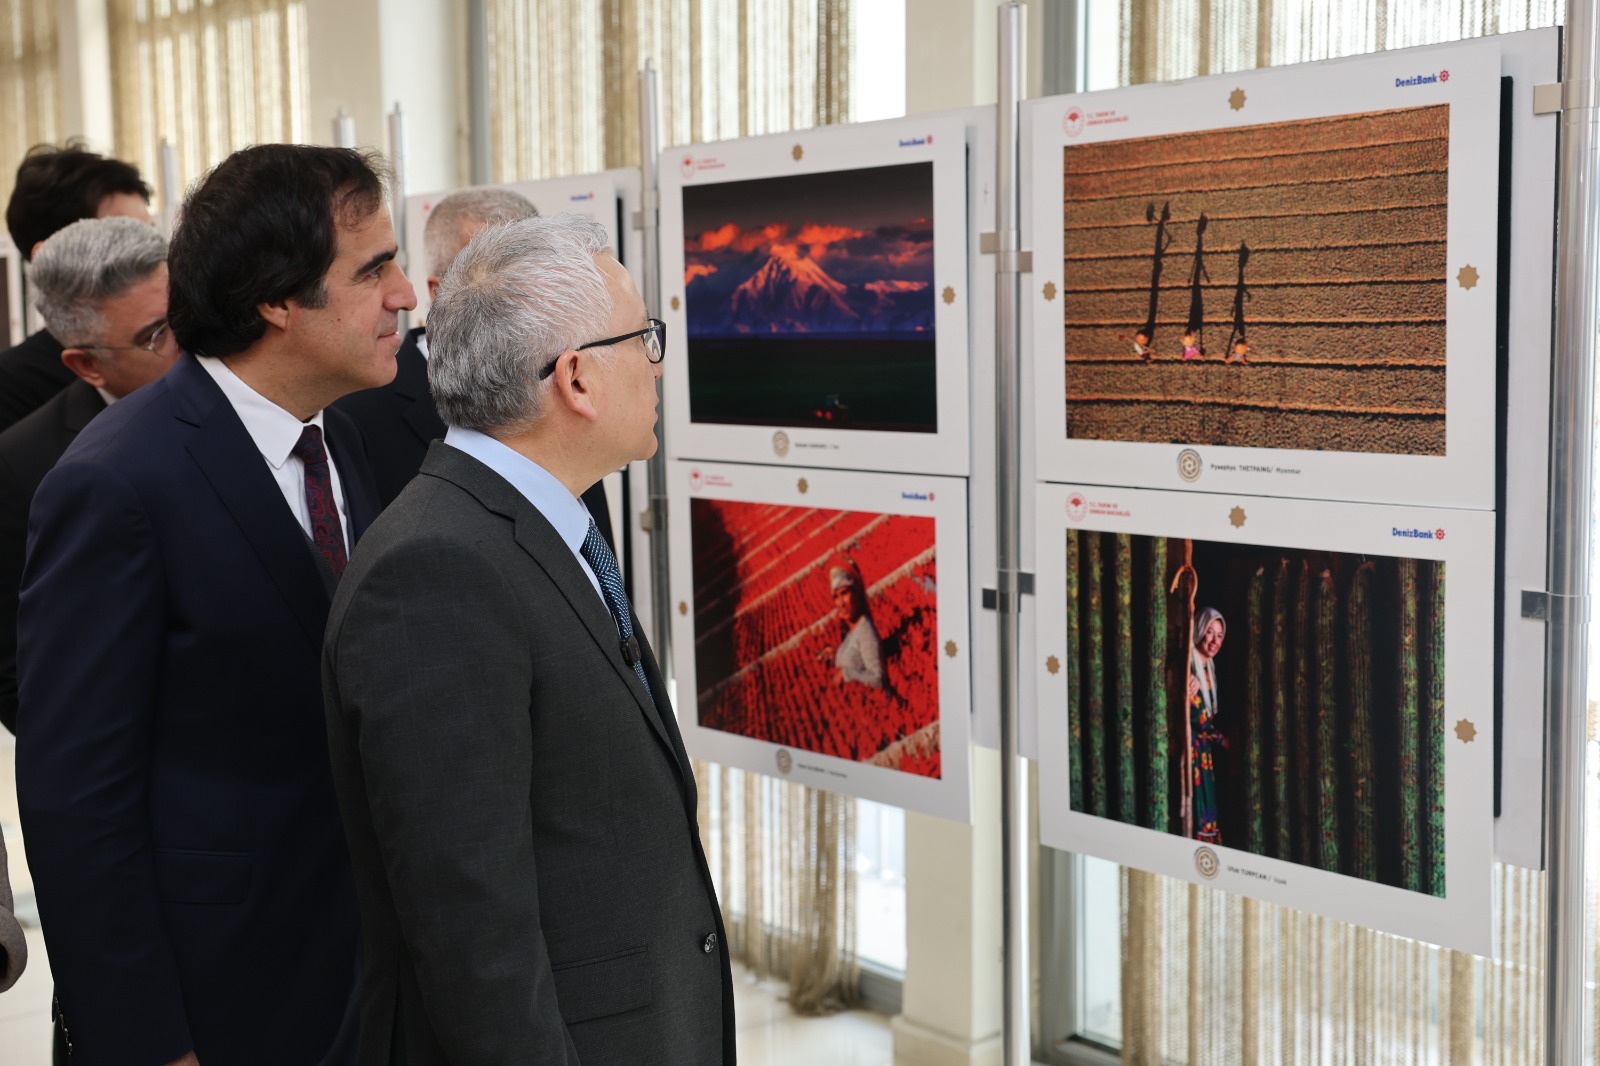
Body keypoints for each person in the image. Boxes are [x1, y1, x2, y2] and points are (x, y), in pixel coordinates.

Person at [16, 143, 413, 1065]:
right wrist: (150, 1040)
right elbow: (77, 798)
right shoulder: (119, 483)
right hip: (218, 999)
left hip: (354, 976)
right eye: (374, 270)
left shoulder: (341, 438)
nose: (405, 294)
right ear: (277, 299)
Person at [323, 213, 732, 1063]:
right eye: (643, 339)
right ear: (576, 378)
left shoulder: (544, 518)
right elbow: (471, 926)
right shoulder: (437, 570)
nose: (657, 364)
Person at [334, 186, 615, 548]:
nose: (529, 305)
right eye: (496, 283)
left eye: (537, 280)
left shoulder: (565, 385)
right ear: (439, 293)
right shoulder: (358, 416)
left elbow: (598, 561)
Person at [0, 218, 177, 735]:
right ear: (85, 365)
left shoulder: (254, 390)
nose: (191, 341)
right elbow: (20, 676)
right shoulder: (25, 466)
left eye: (186, 311)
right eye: (157, 335)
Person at [1, 143, 154, 432]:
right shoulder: (12, 389)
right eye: (123, 239)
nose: (153, 253)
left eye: (150, 233)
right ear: (52, 258)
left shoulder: (186, 340)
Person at [1186, 607, 1227, 844]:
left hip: (1205, 752)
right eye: (1209, 632)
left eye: (1219, 635)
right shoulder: (1189, 667)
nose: (1214, 640)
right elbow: (1199, 718)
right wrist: (1223, 740)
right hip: (1193, 750)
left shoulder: (1207, 668)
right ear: (1200, 630)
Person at [829, 558, 884, 688]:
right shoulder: (852, 631)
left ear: (857, 593)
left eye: (844, 593)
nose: (841, 603)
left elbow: (879, 680)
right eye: (836, 597)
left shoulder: (865, 631)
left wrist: (846, 674)